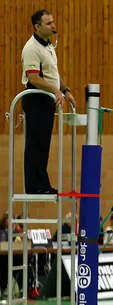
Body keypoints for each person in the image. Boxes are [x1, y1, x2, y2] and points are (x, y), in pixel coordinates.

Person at [21, 9, 75, 194]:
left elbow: (53, 75)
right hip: (36, 100)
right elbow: (34, 78)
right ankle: (35, 187)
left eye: (53, 22)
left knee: (43, 145)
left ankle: (42, 185)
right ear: (37, 27)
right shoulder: (31, 48)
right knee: (36, 146)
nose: (53, 26)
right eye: (49, 23)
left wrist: (65, 90)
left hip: (47, 101)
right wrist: (55, 91)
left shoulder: (48, 46)